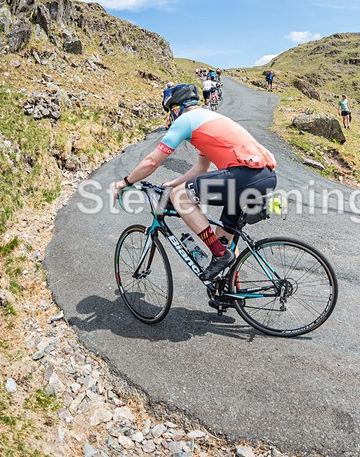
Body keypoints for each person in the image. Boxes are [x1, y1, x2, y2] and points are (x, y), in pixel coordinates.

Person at [111, 84, 277, 306]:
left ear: (175, 108)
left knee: (181, 198)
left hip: (245, 176)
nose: (170, 117)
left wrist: (126, 182)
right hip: (263, 176)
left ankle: (220, 255)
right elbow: (202, 168)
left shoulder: (185, 121)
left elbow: (152, 161)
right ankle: (231, 292)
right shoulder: (208, 120)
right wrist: (174, 182)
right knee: (223, 236)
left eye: (170, 112)